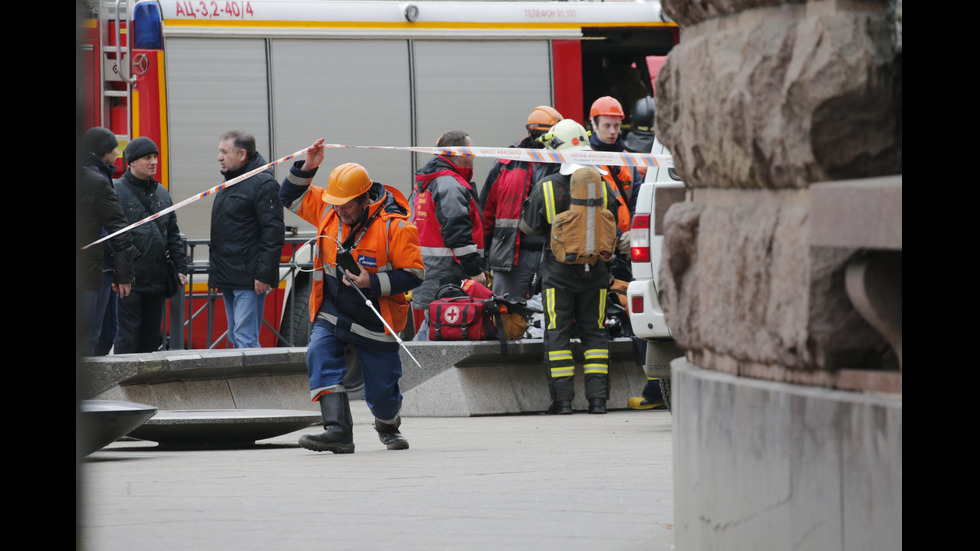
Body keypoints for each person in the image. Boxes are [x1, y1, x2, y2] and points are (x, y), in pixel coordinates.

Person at [279, 138, 424, 454]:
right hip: (333, 311)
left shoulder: (397, 227)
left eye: (346, 206)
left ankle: (388, 427)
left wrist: (370, 281)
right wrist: (309, 166)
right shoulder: (331, 210)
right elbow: (289, 196)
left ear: (364, 200)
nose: (338, 211)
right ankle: (338, 432)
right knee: (318, 353)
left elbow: (414, 274)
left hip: (376, 319)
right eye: (335, 205)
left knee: (384, 393)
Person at [519, 120, 621, 415]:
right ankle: (598, 401)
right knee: (595, 333)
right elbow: (614, 221)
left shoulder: (548, 186)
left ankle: (563, 402)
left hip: (558, 272)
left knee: (557, 332)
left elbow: (528, 227)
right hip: (597, 271)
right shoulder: (602, 185)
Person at [209, 130, 285, 349]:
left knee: (245, 338)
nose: (219, 157)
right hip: (230, 275)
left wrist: (264, 275)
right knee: (236, 336)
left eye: (224, 151)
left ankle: (255, 382)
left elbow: (273, 233)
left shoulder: (262, 183)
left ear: (242, 154)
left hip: (249, 278)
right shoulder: (232, 181)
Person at [113, 137, 189, 354]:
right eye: (147, 157)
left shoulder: (162, 192)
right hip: (130, 280)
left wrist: (180, 267)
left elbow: (172, 233)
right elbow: (111, 234)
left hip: (157, 280)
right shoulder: (117, 190)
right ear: (132, 162)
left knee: (150, 340)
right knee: (127, 338)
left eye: (155, 157)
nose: (153, 161)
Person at [479, 106, 563, 301]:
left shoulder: (566, 163)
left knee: (550, 316)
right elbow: (486, 213)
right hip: (511, 259)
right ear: (532, 132)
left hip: (552, 257)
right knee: (505, 315)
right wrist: (480, 258)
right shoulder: (507, 163)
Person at [410, 130, 486, 340]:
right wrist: (474, 270)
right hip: (449, 272)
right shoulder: (450, 184)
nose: (474, 155)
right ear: (457, 153)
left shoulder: (429, 181)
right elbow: (456, 232)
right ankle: (414, 371)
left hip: (433, 270)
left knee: (433, 325)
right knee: (439, 328)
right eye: (470, 150)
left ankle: (413, 369)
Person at [78, 130, 135, 357]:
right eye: (114, 148)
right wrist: (124, 275)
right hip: (96, 272)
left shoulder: (98, 179)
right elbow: (120, 230)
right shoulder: (97, 182)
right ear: (104, 152)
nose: (117, 152)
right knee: (92, 337)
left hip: (100, 269)